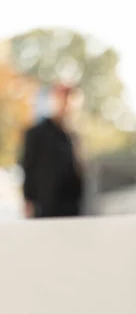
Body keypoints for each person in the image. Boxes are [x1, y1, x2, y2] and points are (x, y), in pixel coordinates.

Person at [21, 83, 84, 218]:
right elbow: (28, 166)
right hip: (46, 207)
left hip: (71, 208)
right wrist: (28, 200)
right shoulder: (37, 133)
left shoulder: (71, 136)